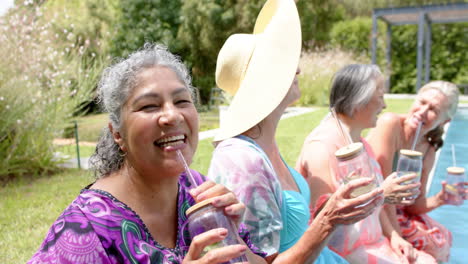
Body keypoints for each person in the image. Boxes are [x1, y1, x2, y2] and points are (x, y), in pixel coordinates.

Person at [28, 44, 267, 264]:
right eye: (149, 106)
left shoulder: (197, 192)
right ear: (118, 134)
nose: (172, 116)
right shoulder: (84, 229)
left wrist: (235, 238)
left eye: (182, 100)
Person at [208, 1, 384, 263]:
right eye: (284, 62)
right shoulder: (244, 161)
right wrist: (327, 220)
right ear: (265, 79)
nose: (298, 69)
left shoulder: (264, 143)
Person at [296, 64, 437, 264]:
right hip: (340, 255)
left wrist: (394, 236)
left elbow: (376, 210)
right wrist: (382, 195)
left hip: (372, 244)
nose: (385, 105)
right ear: (358, 100)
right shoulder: (322, 146)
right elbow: (326, 217)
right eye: (380, 97)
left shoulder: (361, 144)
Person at [367, 80, 461, 262]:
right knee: (430, 251)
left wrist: (441, 198)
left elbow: (413, 205)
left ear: (445, 121)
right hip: (374, 206)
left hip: (396, 211)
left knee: (443, 238)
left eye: (433, 110)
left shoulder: (428, 150)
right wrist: (397, 238)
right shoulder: (391, 125)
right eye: (421, 102)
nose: (422, 112)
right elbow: (383, 192)